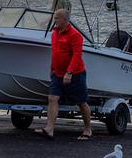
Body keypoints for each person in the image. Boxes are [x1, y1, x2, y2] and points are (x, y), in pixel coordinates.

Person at [35, 8, 92, 140]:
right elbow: (55, 52)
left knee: (81, 102)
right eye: (54, 18)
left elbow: (77, 55)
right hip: (57, 73)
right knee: (52, 98)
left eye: (57, 18)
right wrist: (51, 68)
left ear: (65, 20)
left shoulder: (75, 35)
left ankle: (87, 129)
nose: (54, 21)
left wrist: (69, 72)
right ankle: (49, 129)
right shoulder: (54, 33)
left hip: (75, 74)